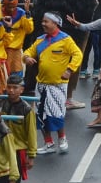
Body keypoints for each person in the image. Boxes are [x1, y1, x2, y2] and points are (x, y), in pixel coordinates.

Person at [23, 11, 83, 154]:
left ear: (55, 23)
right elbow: (27, 52)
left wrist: (69, 69)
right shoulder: (40, 40)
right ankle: (48, 143)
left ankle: (62, 138)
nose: (43, 24)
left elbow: (78, 54)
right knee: (40, 114)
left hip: (58, 85)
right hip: (41, 84)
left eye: (46, 21)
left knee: (57, 114)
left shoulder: (66, 40)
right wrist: (26, 58)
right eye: (43, 21)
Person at [0, 73, 37, 183]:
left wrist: (31, 155)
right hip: (1, 150)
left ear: (21, 89)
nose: (11, 90)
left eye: (15, 88)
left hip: (18, 151)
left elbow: (32, 134)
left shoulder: (27, 110)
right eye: (9, 87)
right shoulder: (1, 105)